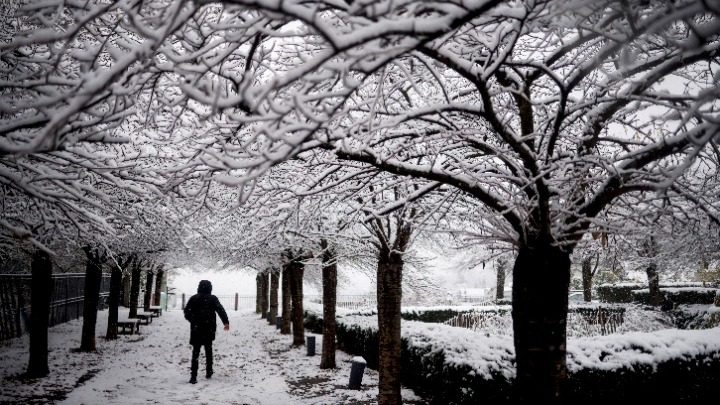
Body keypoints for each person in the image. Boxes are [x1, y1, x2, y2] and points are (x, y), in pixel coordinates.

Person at [183, 280, 230, 384]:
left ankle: (193, 375)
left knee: (196, 352)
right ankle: (209, 371)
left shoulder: (194, 298)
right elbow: (220, 310)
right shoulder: (213, 299)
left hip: (196, 329)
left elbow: (186, 312)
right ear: (210, 288)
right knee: (208, 350)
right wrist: (225, 322)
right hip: (209, 328)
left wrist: (193, 320)